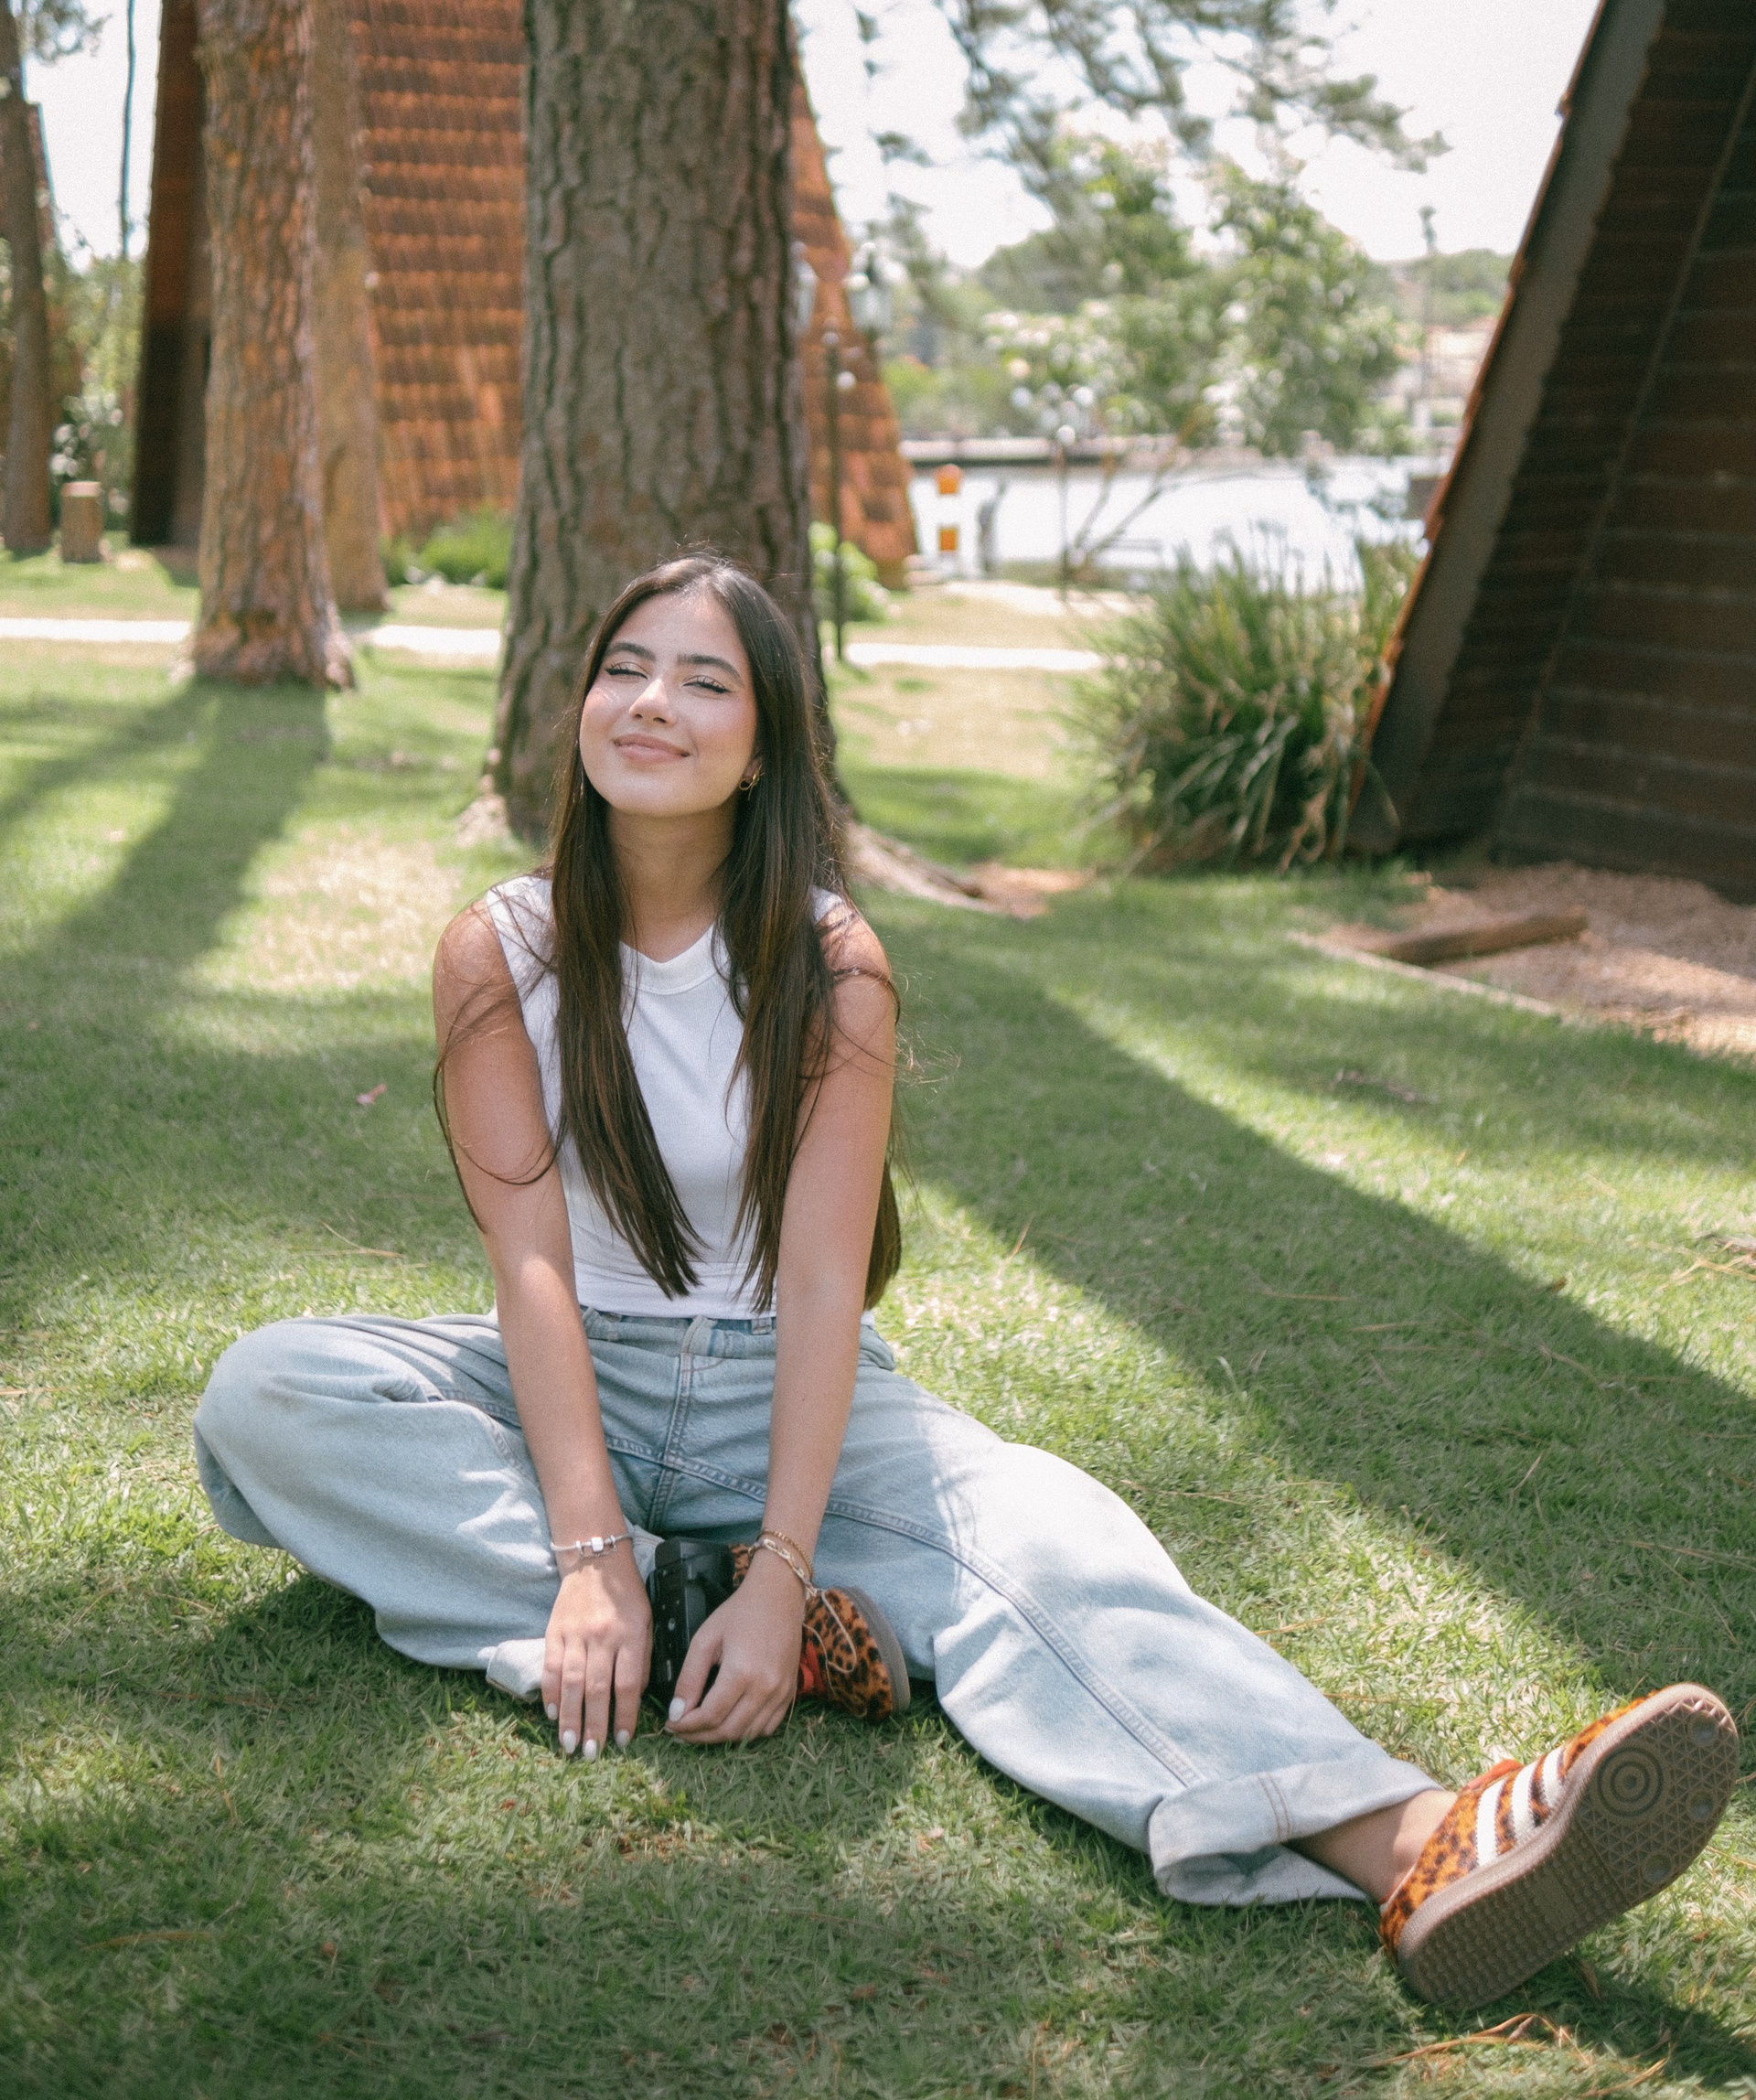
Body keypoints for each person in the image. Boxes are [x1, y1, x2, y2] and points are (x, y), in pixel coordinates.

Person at [194, 553, 1737, 2011]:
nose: (652, 703)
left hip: (782, 1387)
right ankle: (681, 1608)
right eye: (625, 668)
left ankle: (1416, 1846)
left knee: (1050, 1540)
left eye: (706, 682)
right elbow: (528, 1260)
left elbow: (822, 1284)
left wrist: (785, 1561)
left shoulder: (829, 963)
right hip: (569, 1368)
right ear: (583, 704)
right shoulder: (502, 948)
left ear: (765, 750)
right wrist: (593, 1552)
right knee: (273, 1393)